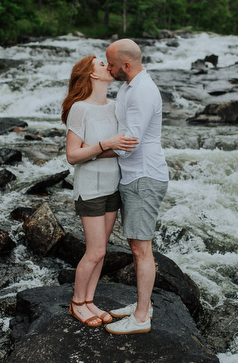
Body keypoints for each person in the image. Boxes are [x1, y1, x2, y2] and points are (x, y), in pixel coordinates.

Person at [62, 54, 138, 327]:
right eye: (102, 65)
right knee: (93, 251)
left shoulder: (115, 106)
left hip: (112, 186)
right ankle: (77, 303)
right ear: (93, 75)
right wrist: (106, 144)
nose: (109, 67)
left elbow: (117, 149)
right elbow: (72, 155)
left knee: (102, 251)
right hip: (90, 189)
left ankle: (89, 300)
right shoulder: (80, 109)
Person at [104, 39, 169, 335]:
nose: (108, 68)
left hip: (144, 175)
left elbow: (129, 143)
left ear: (126, 65)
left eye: (112, 64)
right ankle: (143, 305)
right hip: (133, 175)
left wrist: (89, 151)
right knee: (135, 244)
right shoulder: (128, 86)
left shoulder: (142, 91)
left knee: (142, 248)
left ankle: (142, 317)